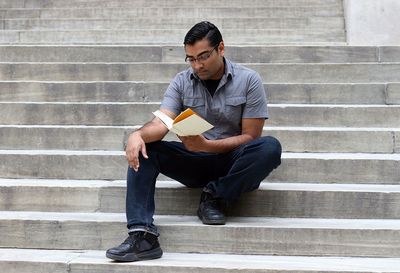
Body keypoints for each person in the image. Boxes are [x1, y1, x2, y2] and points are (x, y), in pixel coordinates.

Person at [106, 21, 282, 262]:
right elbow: (161, 124)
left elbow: (251, 136)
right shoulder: (181, 81)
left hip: (233, 163)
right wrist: (137, 135)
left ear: (221, 48)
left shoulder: (249, 80)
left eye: (203, 56)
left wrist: (208, 146)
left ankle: (215, 196)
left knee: (270, 147)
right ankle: (142, 235)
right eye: (190, 58)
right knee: (147, 148)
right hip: (194, 160)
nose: (197, 65)